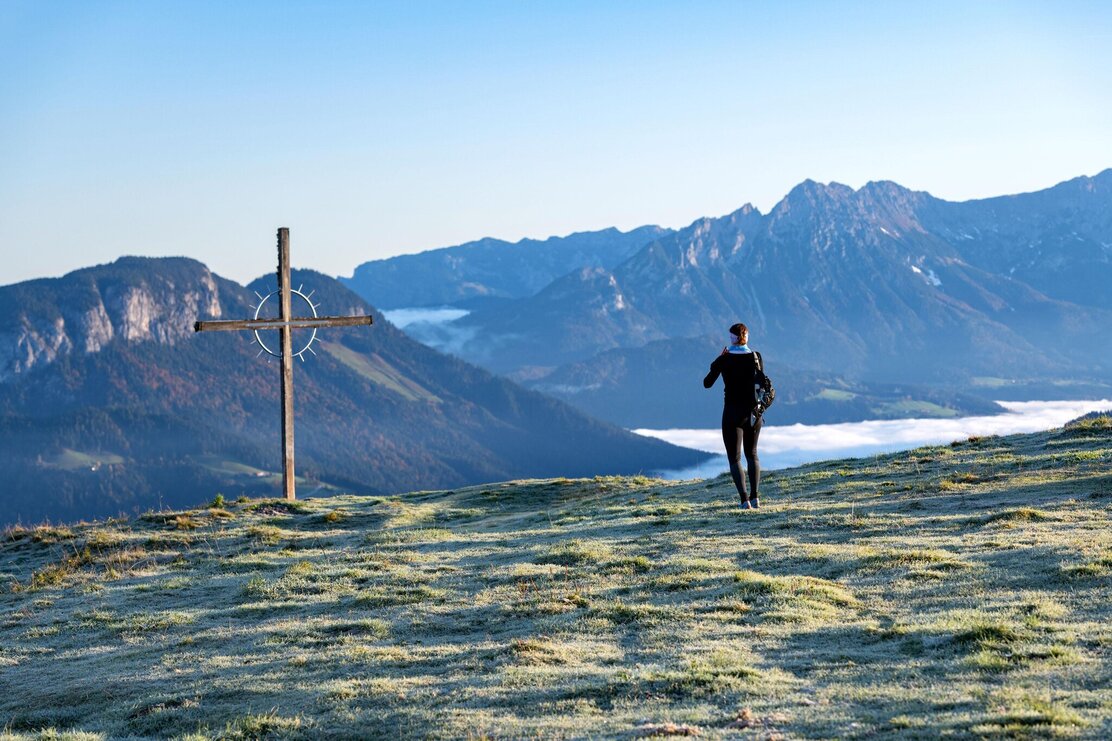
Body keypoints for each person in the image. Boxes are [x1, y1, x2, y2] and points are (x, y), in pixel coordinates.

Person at [703, 322, 765, 510]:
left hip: (732, 413)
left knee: (735, 458)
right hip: (754, 413)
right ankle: (755, 498)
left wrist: (720, 358)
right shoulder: (756, 357)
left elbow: (707, 383)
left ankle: (744, 500)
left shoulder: (725, 359)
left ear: (732, 338)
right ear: (747, 337)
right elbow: (761, 382)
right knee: (752, 454)